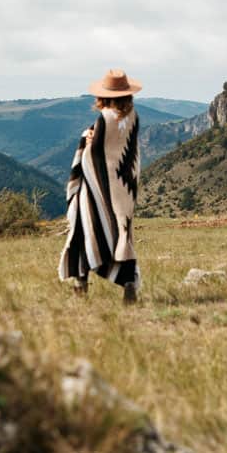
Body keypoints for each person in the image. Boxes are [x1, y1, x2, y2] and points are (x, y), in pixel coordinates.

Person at [58, 69, 141, 304]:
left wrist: (86, 139)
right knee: (120, 236)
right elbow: (128, 154)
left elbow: (94, 156)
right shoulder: (132, 117)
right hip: (122, 192)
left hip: (96, 192)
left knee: (86, 232)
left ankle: (80, 287)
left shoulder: (104, 118)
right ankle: (129, 287)